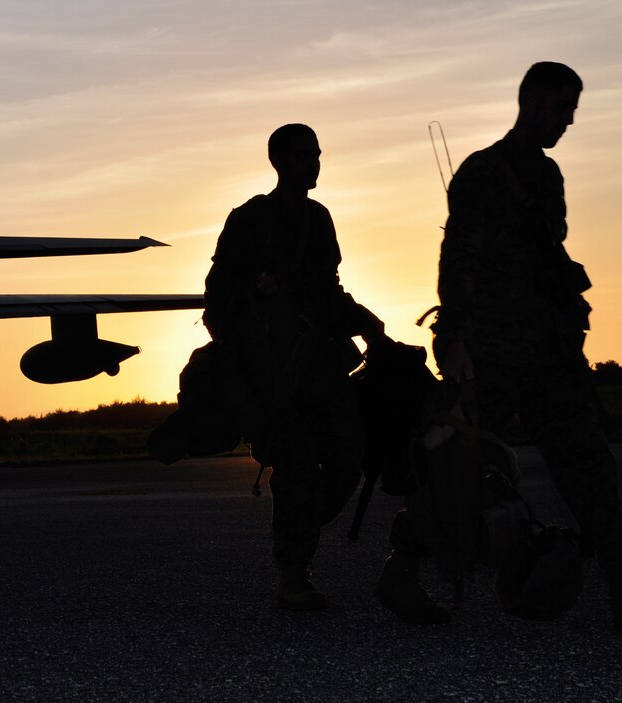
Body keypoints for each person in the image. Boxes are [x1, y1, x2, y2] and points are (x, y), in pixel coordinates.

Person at [378, 62, 622, 630]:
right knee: (456, 476)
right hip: (488, 355)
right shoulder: (483, 173)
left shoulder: (549, 176)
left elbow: (546, 259)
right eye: (562, 107)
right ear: (530, 102)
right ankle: (402, 570)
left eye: (573, 110)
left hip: (550, 360)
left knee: (594, 476)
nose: (567, 120)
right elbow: (458, 256)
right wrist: (453, 337)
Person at [203, 124, 385, 611]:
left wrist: (370, 326)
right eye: (305, 155)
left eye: (318, 154)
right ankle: (293, 571)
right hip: (272, 375)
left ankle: (300, 526)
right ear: (279, 161)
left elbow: (329, 290)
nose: (315, 163)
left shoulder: (320, 219)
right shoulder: (249, 219)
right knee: (298, 465)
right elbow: (216, 295)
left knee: (350, 459)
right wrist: (253, 295)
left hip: (321, 365)